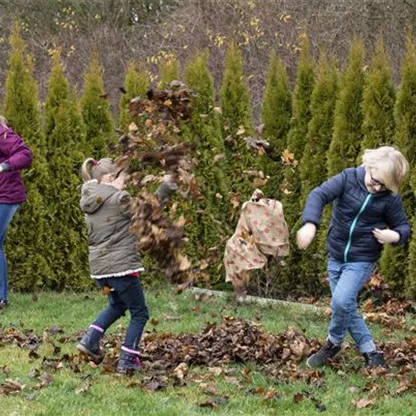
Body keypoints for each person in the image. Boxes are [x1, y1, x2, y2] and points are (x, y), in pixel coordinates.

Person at [296, 146, 410, 369]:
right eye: (374, 180)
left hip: (361, 259)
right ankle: (371, 352)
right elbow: (319, 194)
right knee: (345, 305)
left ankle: (333, 343)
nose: (376, 188)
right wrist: (310, 224)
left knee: (340, 301)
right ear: (369, 165)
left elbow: (403, 227)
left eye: (383, 186)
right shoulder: (348, 178)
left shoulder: (389, 198)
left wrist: (393, 235)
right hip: (336, 255)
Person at [77, 157, 177, 373]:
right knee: (140, 313)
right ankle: (128, 360)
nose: (126, 182)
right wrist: (167, 186)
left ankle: (89, 341)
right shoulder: (119, 198)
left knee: (117, 305)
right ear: (109, 178)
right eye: (123, 178)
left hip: (100, 270)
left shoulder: (90, 201)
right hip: (121, 268)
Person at [0, 116, 33, 309]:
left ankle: (2, 297)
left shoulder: (2, 133)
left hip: (5, 196)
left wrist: (4, 166)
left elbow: (25, 154)